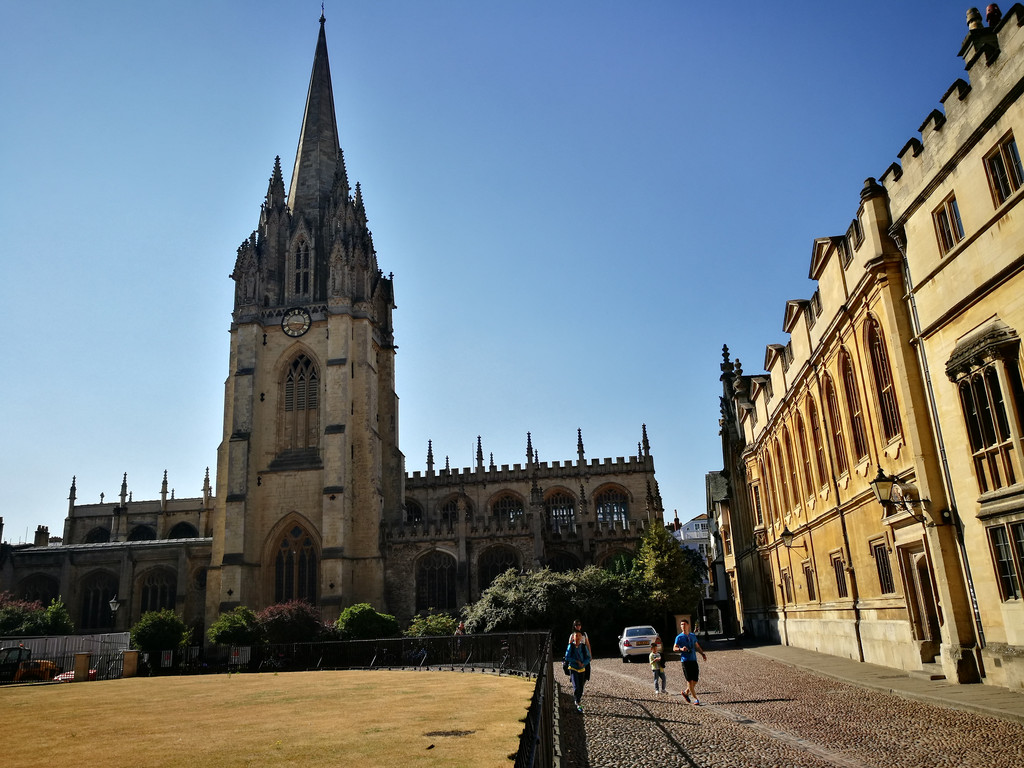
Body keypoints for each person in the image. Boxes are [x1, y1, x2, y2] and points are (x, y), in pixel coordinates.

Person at [672, 618, 707, 705]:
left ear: (688, 625)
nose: (683, 626)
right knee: (690, 681)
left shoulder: (692, 636)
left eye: (684, 624)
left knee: (695, 680)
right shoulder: (679, 637)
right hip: (685, 661)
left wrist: (702, 654)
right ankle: (696, 699)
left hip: (693, 660)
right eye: (681, 625)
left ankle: (685, 692)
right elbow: (674, 648)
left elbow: (697, 646)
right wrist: (681, 649)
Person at [564, 630, 592, 712]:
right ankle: (578, 702)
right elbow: (567, 657)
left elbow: (588, 657)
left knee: (581, 687)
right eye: (576, 636)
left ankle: (578, 699)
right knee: (576, 686)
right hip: (573, 668)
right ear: (573, 637)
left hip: (582, 669)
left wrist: (583, 663)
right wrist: (576, 661)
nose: (578, 638)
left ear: (581, 637)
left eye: (579, 636)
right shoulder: (571, 646)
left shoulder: (583, 647)